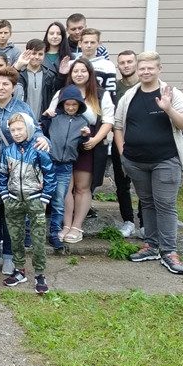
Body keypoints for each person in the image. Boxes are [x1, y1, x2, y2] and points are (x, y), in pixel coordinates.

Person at [114, 51, 183, 275]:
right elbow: (118, 126)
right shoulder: (129, 96)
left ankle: (169, 251)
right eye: (142, 68)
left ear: (159, 69)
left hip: (165, 160)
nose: (146, 72)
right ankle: (151, 245)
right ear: (137, 70)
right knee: (147, 203)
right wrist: (123, 153)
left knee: (165, 204)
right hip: (136, 162)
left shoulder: (172, 93)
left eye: (150, 68)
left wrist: (168, 109)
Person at [0, 67, 49, 275]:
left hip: (17, 168)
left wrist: (43, 139)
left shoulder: (22, 108)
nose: (1, 87)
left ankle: (10, 255)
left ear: (13, 87)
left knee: (14, 214)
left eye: (6, 84)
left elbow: (35, 130)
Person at [45, 58, 114, 244]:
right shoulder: (62, 93)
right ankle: (66, 224)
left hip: (87, 146)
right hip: (63, 149)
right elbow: (51, 113)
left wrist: (95, 140)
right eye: (75, 71)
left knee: (82, 187)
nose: (79, 74)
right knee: (65, 188)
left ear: (90, 73)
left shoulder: (100, 94)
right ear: (71, 74)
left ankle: (77, 226)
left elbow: (108, 121)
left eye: (83, 71)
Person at [0, 113, 56, 293]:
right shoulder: (8, 151)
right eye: (12, 130)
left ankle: (39, 273)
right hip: (13, 200)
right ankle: (19, 269)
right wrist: (5, 195)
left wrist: (45, 198)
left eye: (20, 129)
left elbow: (50, 174)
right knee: (15, 237)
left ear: (28, 128)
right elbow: (2, 174)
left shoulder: (39, 149)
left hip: (35, 199)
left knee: (38, 238)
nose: (16, 133)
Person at [40, 85, 91, 252]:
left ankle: (54, 233)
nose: (70, 107)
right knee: (40, 199)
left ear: (79, 105)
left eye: (74, 104)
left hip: (66, 166)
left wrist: (86, 137)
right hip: (48, 163)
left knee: (59, 200)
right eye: (67, 104)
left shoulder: (83, 122)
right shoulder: (54, 118)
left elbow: (82, 146)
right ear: (62, 104)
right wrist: (45, 117)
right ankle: (32, 233)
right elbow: (41, 131)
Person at [113, 50, 142, 237]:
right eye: (122, 63)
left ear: (136, 63)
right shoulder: (115, 88)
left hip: (142, 143)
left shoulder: (145, 86)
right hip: (120, 141)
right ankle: (128, 221)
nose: (126, 65)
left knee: (143, 184)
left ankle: (145, 222)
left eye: (129, 61)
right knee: (122, 184)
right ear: (118, 66)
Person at [16, 39, 60, 121]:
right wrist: (18, 66)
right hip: (22, 120)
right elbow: (7, 80)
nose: (37, 57)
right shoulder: (19, 74)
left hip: (42, 120)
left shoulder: (50, 75)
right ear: (27, 53)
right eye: (33, 53)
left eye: (40, 54)